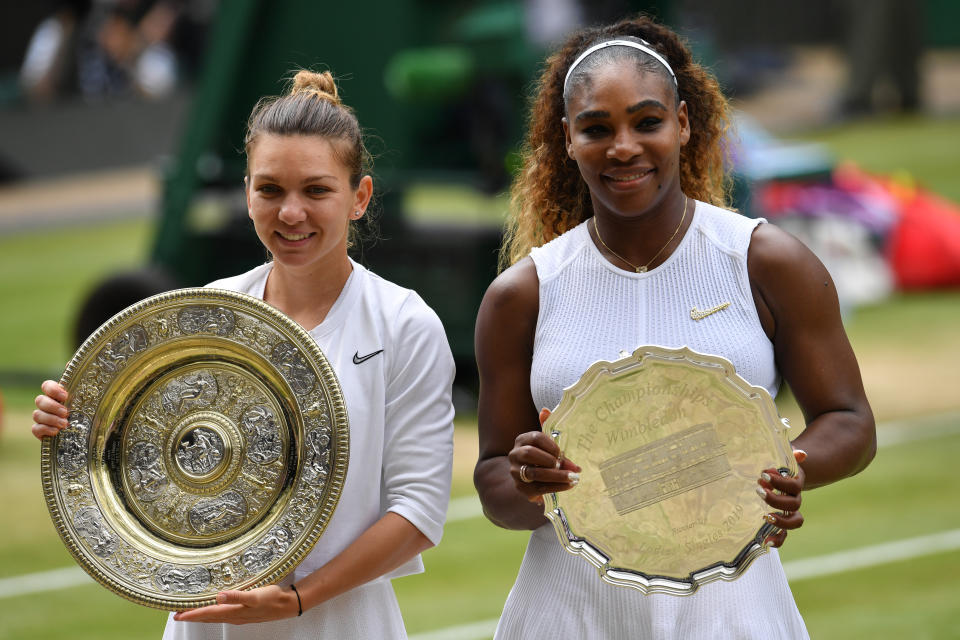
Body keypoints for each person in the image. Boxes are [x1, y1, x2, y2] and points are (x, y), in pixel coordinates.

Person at [473, 15, 876, 639]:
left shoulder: (768, 262)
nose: (624, 146)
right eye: (597, 129)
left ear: (683, 124)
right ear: (567, 138)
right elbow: (496, 482)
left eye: (647, 121)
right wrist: (529, 482)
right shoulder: (519, 296)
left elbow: (850, 420)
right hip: (569, 618)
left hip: (734, 616)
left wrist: (789, 467)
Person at [32, 69, 456, 639]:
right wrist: (76, 423)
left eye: (317, 190)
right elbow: (144, 462)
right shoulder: (202, 315)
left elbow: (418, 511)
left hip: (342, 625)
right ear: (247, 192)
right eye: (270, 189)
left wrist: (299, 599)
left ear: (360, 198)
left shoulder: (405, 325)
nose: (290, 213)